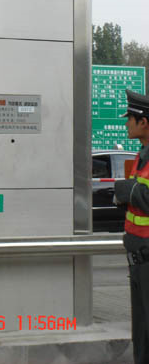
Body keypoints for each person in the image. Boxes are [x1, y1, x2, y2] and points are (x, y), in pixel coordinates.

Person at [114, 89, 149, 364]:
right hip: (138, 258)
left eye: (130, 118)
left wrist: (129, 190)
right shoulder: (141, 156)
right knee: (141, 331)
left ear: (144, 122)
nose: (126, 123)